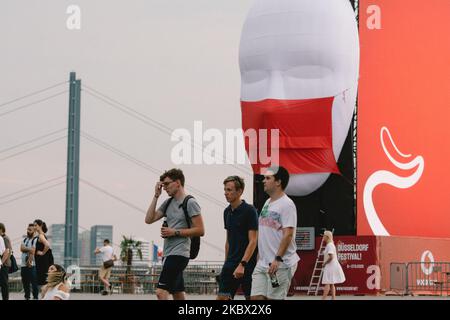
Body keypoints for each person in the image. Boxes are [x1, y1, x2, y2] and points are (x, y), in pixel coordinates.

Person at [145, 168, 205, 300]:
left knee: (161, 293)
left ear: (177, 182)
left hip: (179, 254)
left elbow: (200, 230)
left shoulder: (190, 202)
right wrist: (156, 195)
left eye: (166, 184)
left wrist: (175, 232)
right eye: (163, 185)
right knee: (178, 294)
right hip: (168, 253)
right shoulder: (168, 203)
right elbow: (149, 219)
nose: (164, 187)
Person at [251, 166, 299, 300]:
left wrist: (277, 259)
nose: (263, 181)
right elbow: (265, 232)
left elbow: (288, 234)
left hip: (279, 264)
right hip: (263, 263)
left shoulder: (287, 204)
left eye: (268, 178)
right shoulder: (267, 202)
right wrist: (260, 257)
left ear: (278, 182)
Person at [217, 176, 258, 300]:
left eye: (229, 190)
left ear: (239, 191)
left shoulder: (250, 211)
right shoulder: (226, 212)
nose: (226, 193)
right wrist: (226, 264)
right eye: (225, 190)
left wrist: (243, 264)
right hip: (230, 264)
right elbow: (228, 241)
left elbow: (253, 241)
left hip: (247, 265)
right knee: (222, 298)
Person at [321, 230, 345, 300]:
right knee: (331, 283)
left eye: (324, 236)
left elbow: (331, 257)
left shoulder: (330, 245)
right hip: (331, 266)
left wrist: (324, 263)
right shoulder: (330, 244)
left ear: (327, 237)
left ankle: (323, 299)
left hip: (330, 266)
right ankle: (333, 298)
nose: (323, 237)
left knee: (327, 283)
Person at [20, 223, 39, 300]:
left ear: (34, 231)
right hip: (23, 265)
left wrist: (29, 262)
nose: (28, 231)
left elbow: (33, 252)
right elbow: (21, 248)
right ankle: (27, 297)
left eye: (30, 230)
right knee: (25, 283)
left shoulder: (35, 240)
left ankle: (35, 297)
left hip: (31, 265)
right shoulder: (25, 239)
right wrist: (29, 249)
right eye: (27, 229)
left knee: (34, 283)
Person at [33, 219, 54, 287]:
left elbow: (47, 245)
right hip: (45, 260)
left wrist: (42, 253)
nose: (34, 227)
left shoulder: (41, 236)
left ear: (40, 225)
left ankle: (45, 296)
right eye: (34, 226)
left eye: (36, 225)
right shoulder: (42, 235)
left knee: (44, 281)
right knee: (46, 280)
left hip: (43, 261)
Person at [0, 223, 11, 300]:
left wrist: (1, 263)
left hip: (4, 264)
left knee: (4, 283)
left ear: (1, 229)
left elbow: (7, 251)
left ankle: (5, 298)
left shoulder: (4, 238)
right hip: (2, 263)